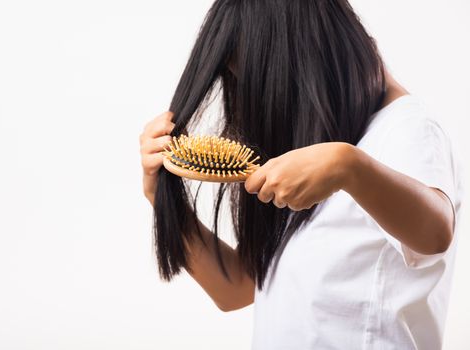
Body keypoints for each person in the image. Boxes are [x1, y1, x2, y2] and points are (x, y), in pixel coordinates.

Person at [139, 0, 464, 348]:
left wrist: (349, 167)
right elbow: (236, 289)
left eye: (262, 85)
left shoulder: (407, 129)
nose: (259, 105)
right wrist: (160, 195)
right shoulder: (310, 150)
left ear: (306, 56)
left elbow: (435, 232)